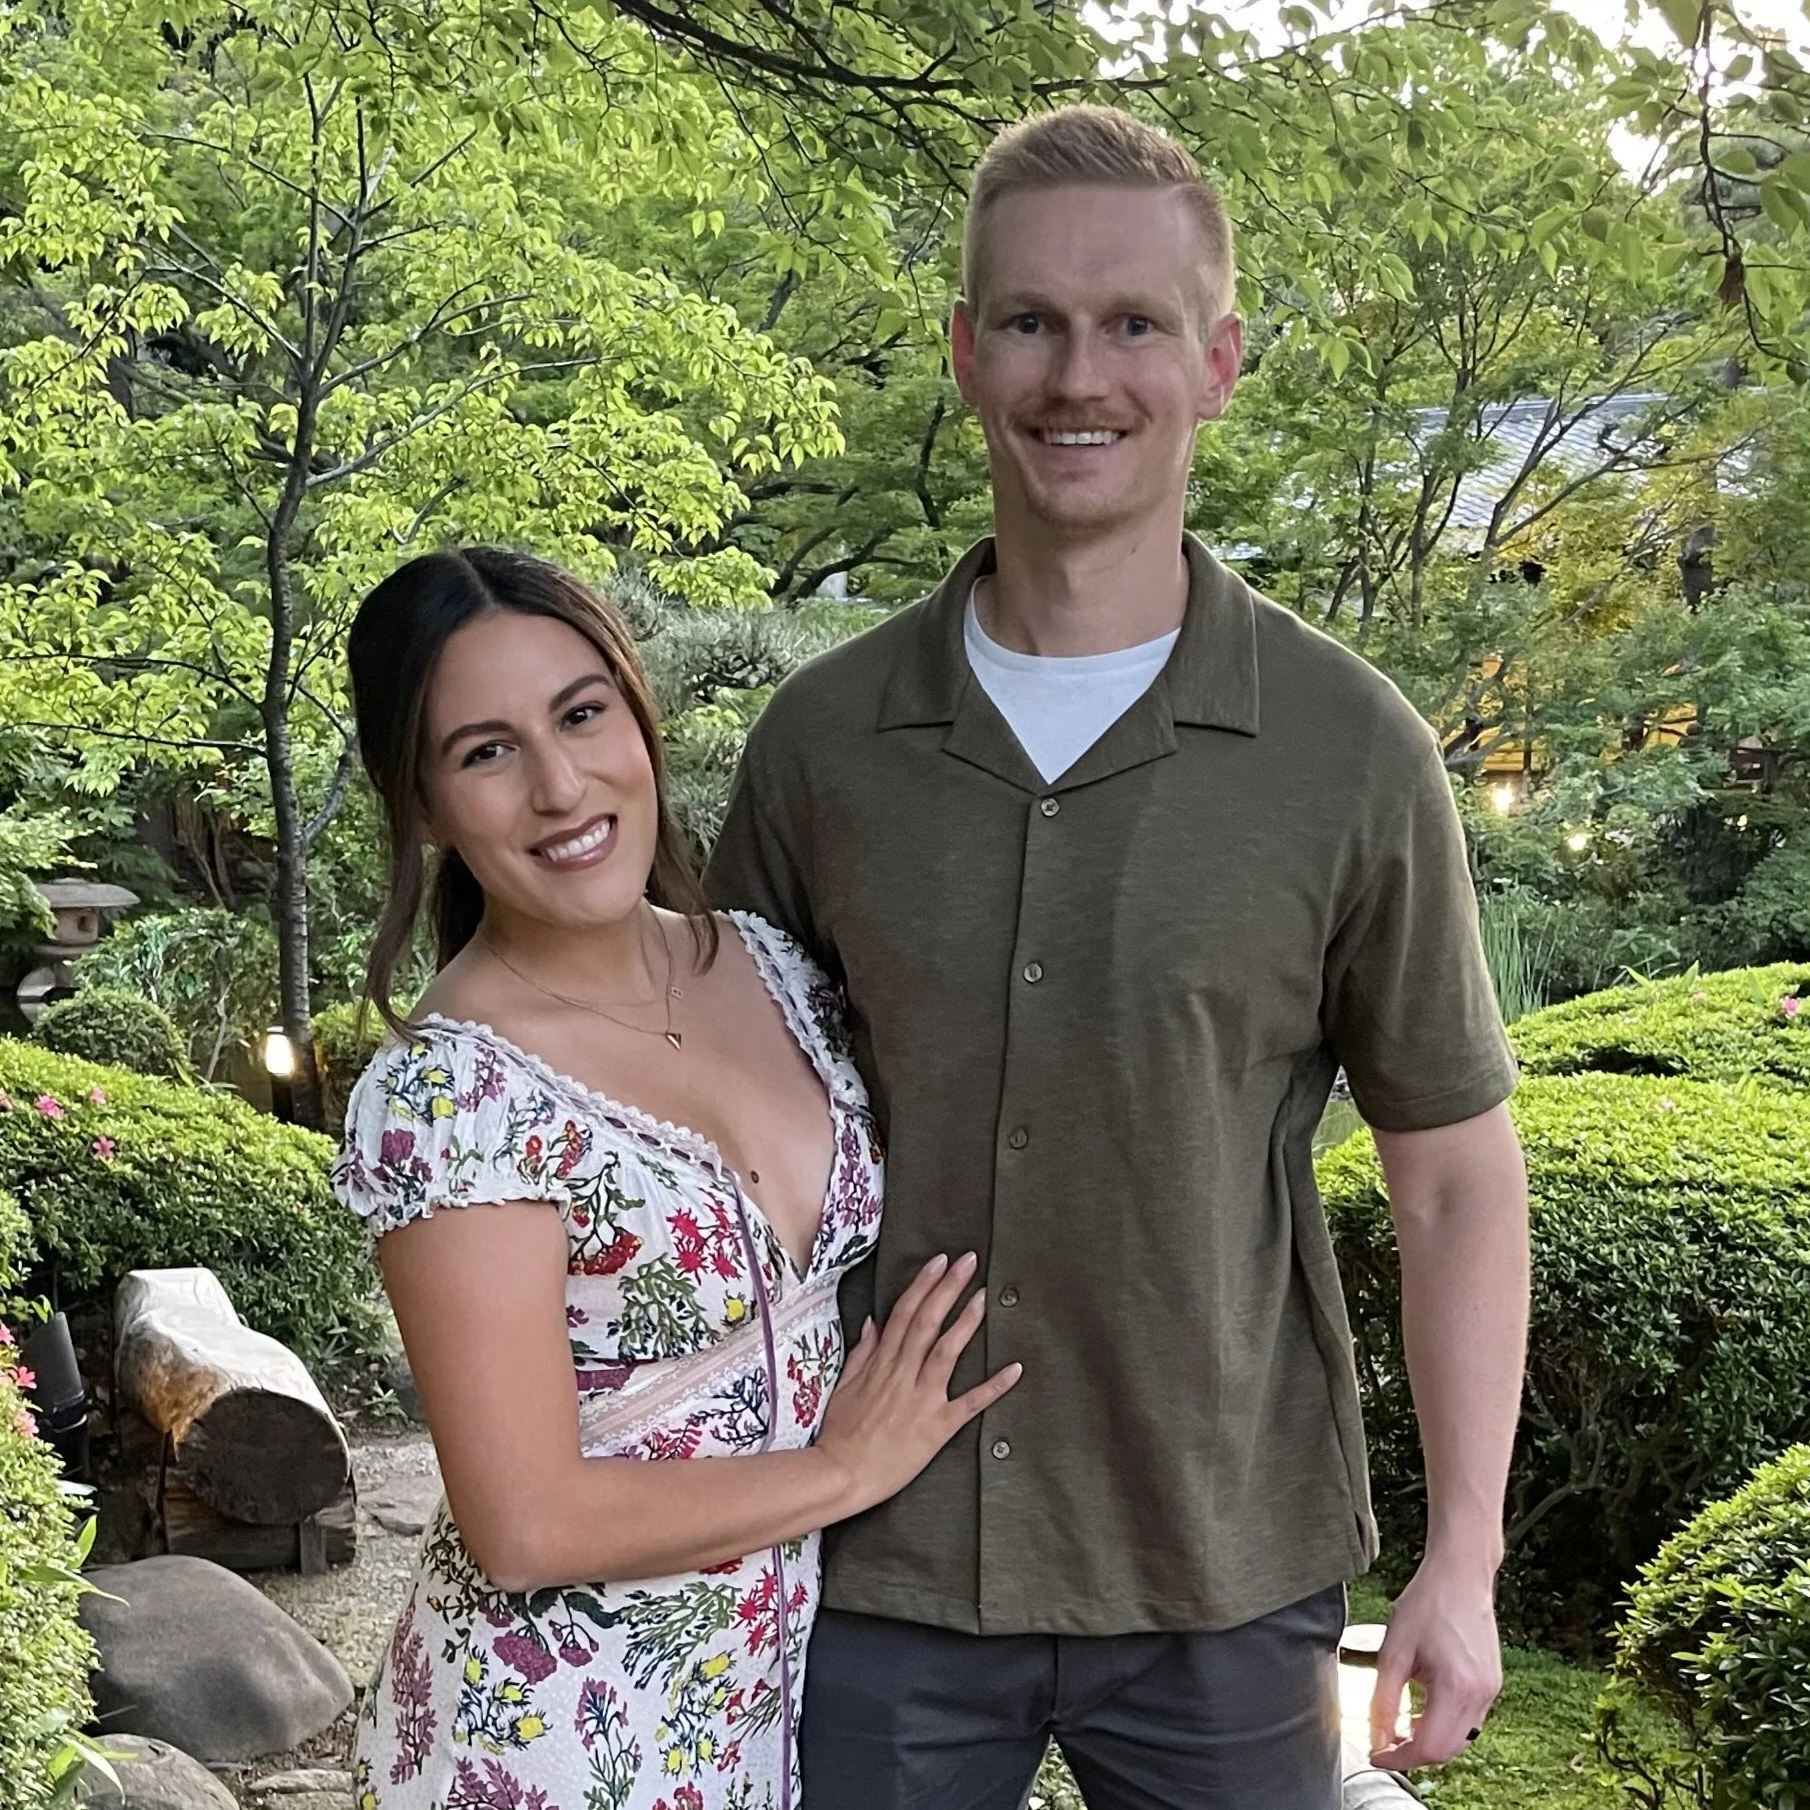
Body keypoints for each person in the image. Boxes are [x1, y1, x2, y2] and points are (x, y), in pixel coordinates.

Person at [706, 105, 1532, 1809]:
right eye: (1030, 320)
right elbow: (711, 1148)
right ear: (963, 350)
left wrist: (1465, 1555)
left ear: (1217, 362)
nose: (1078, 375)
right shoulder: (821, 745)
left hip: (1220, 1561)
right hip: (871, 1556)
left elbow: (1454, 1177)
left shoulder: (1350, 752)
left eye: (1133, 323)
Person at [331, 546, 1020, 1810]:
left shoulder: (771, 966)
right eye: (486, 752)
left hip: (755, 1704)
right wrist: (844, 1470)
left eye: (580, 714)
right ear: (422, 805)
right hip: (547, 1736)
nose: (559, 786)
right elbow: (523, 1524)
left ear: (638, 716)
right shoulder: (455, 1096)